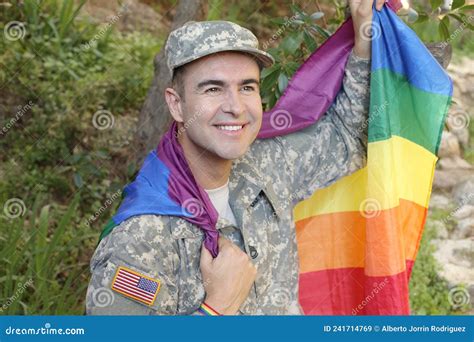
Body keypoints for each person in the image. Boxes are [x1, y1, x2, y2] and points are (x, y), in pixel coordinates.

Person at [86, 0, 385, 315]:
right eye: (213, 89)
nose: (236, 107)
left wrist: (365, 29)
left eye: (247, 87)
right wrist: (216, 310)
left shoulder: (268, 165)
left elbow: (349, 136)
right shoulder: (140, 236)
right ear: (176, 105)